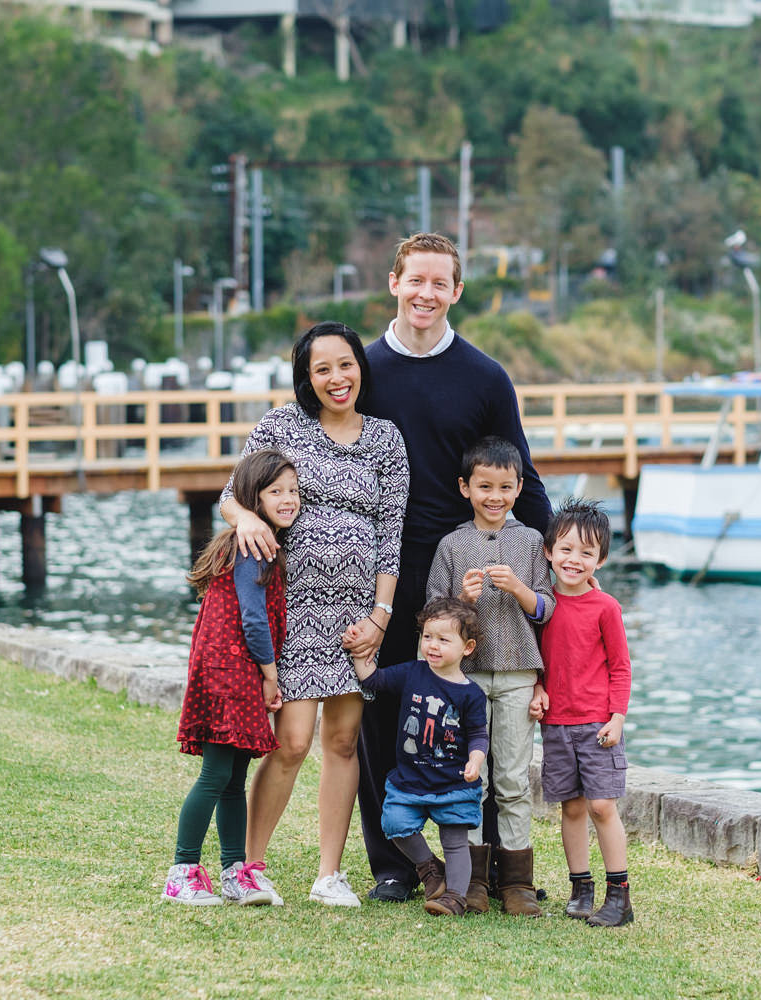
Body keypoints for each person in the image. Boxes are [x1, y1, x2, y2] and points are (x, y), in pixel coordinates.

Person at [356, 231, 553, 902]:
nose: (427, 294)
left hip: (465, 565)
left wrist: (559, 560)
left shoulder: (484, 376)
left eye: (441, 283)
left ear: (457, 292)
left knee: (478, 716)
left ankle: (491, 867)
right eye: (416, 280)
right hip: (382, 564)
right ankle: (396, 863)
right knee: (386, 710)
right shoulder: (362, 370)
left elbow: (519, 474)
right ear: (394, 282)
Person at [221, 321, 409, 907]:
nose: (336, 378)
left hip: (357, 617)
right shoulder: (280, 425)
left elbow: (390, 533)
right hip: (293, 608)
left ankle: (330, 873)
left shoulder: (385, 437)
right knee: (293, 742)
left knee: (345, 741)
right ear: (306, 375)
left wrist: (380, 617)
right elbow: (230, 494)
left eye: (346, 365)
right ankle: (247, 866)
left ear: (361, 368)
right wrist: (246, 519)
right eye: (322, 368)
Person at [164, 448, 299, 906]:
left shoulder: (256, 540)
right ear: (251, 498)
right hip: (231, 671)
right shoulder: (253, 545)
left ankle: (233, 872)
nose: (287, 499)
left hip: (230, 668)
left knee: (234, 777)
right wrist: (270, 674)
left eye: (293, 491)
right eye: (275, 491)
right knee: (215, 774)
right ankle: (182, 871)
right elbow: (254, 619)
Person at [424, 436, 554, 916]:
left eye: (504, 487)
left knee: (514, 779)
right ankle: (471, 880)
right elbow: (434, 617)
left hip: (519, 674)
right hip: (467, 681)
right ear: (465, 488)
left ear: (519, 488)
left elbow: (546, 608)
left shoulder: (530, 543)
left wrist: (519, 588)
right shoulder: (452, 545)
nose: (494, 496)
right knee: (468, 778)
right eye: (484, 487)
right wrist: (464, 602)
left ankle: (516, 883)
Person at [530, 499, 634, 927]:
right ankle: (580, 887)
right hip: (556, 725)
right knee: (570, 809)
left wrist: (617, 717)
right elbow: (536, 656)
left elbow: (621, 666)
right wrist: (537, 687)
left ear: (601, 560)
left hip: (597, 726)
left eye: (587, 553)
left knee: (602, 807)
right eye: (566, 549)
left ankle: (619, 896)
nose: (575, 560)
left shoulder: (606, 608)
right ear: (550, 552)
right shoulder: (542, 605)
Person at [349, 597, 488, 917]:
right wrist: (359, 651)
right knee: (394, 823)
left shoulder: (471, 694)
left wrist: (475, 760)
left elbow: (479, 735)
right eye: (427, 637)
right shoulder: (413, 673)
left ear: (467, 647)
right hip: (409, 781)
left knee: (455, 841)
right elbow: (374, 680)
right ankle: (428, 869)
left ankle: (455, 896)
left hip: (453, 784)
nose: (433, 646)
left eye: (443, 639)